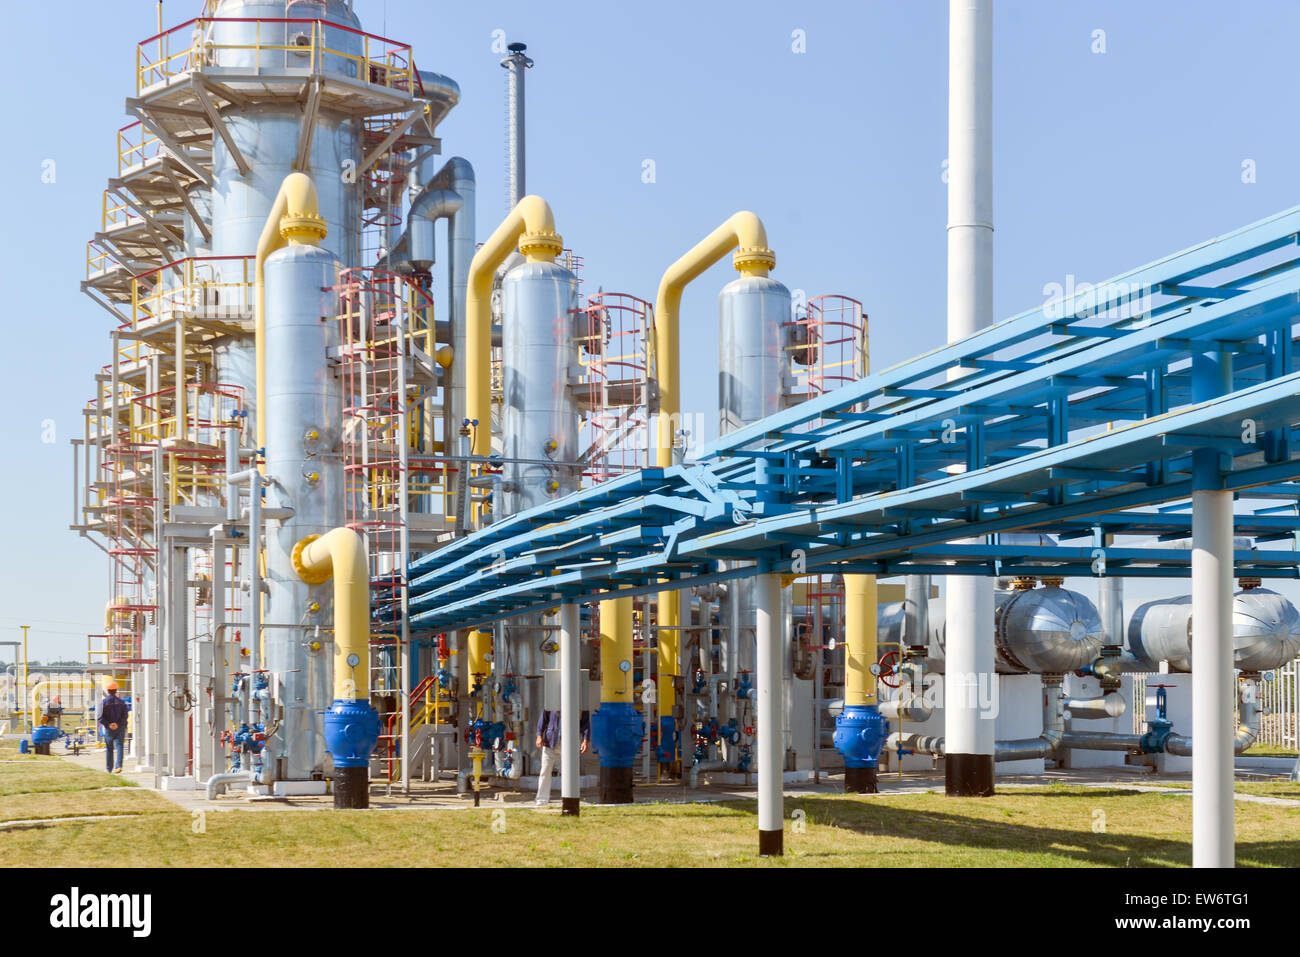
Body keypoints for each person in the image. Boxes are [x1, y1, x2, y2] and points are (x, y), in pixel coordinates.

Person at [534, 708, 589, 807]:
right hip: (550, 742)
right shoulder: (552, 699)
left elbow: (585, 723)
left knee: (569, 773)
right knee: (545, 771)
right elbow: (543, 718)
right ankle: (542, 800)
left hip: (569, 743)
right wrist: (539, 735)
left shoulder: (578, 702)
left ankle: (570, 798)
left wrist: (585, 740)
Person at [98, 681, 129, 774]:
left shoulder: (103, 702)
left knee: (109, 748)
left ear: (107, 691)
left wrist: (108, 724)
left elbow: (99, 716)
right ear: (116, 690)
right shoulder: (121, 702)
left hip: (109, 729)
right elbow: (125, 715)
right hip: (120, 728)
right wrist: (118, 724)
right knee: (119, 746)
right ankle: (118, 766)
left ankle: (109, 769)